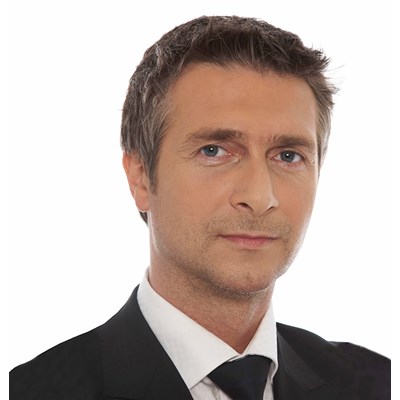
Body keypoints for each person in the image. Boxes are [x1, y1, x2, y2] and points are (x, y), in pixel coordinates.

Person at [10, 15, 390, 400]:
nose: (260, 196)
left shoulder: (379, 383)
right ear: (141, 177)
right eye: (214, 151)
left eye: (288, 155)